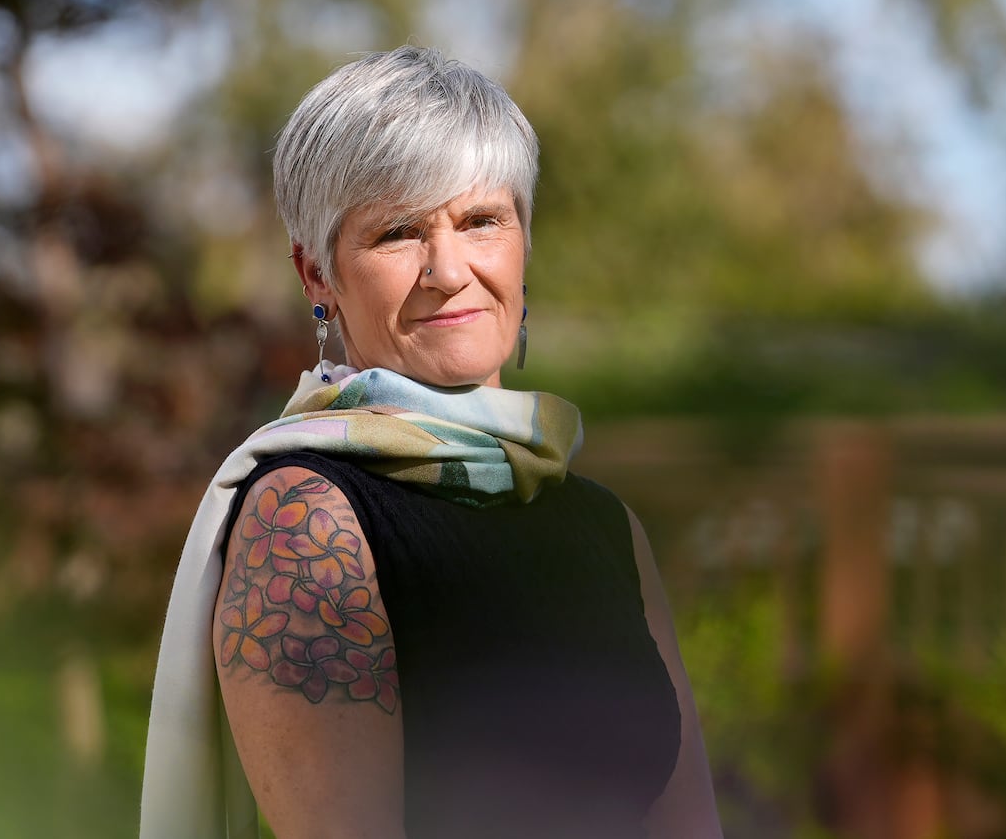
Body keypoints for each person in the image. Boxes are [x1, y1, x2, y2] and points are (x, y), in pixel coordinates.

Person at [140, 46, 723, 839]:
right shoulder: (305, 519)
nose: (448, 269)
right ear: (318, 276)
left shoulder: (603, 524)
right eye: (399, 233)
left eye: (482, 220)